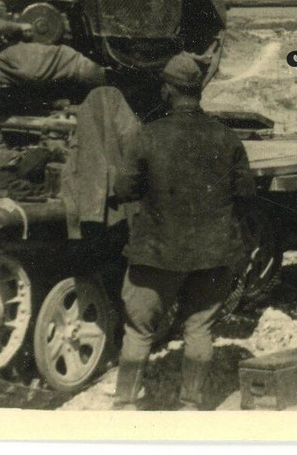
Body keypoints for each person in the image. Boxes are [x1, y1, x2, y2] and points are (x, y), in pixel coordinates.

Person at [108, 54, 255, 410]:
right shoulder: (228, 138)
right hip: (212, 254)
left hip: (156, 252)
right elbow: (246, 194)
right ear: (198, 91)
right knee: (199, 330)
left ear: (168, 91)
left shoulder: (148, 136)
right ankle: (191, 405)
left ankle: (125, 405)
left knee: (139, 332)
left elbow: (124, 190)